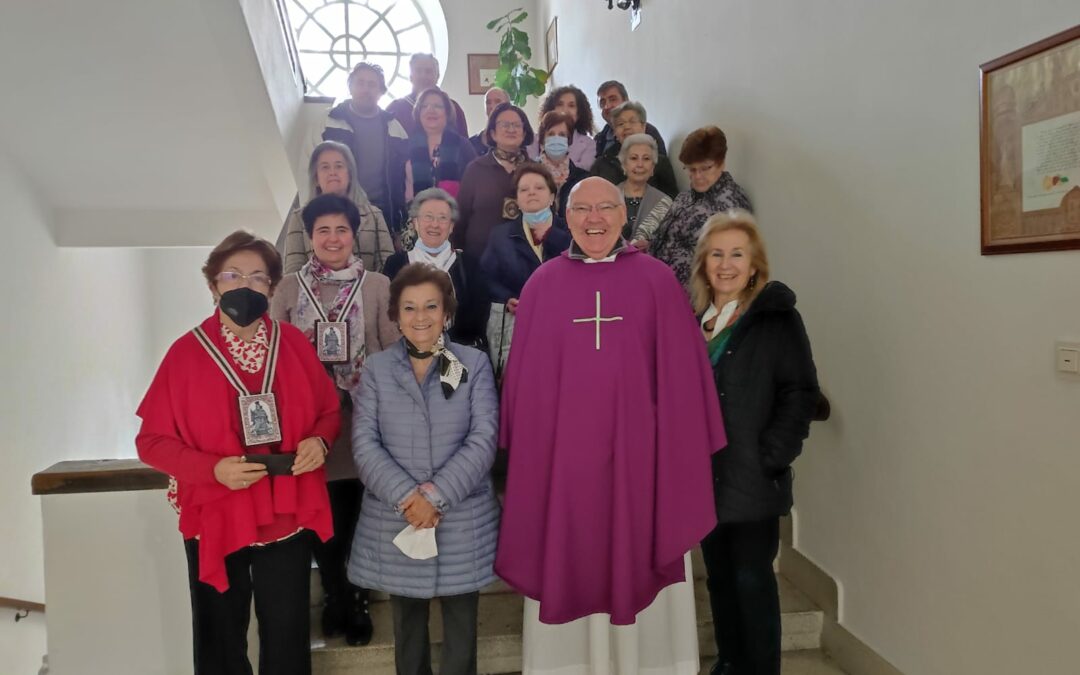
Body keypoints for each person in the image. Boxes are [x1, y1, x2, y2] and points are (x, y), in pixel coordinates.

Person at [494, 177, 726, 675]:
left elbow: (684, 382)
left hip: (641, 465)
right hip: (565, 471)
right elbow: (524, 391)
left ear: (625, 216)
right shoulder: (541, 286)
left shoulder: (658, 281)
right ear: (566, 217)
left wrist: (674, 454)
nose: (594, 218)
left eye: (605, 208)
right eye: (582, 209)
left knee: (640, 552)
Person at [136, 231, 339, 675]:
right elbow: (150, 442)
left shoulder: (294, 344)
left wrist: (319, 441)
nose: (245, 285)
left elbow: (329, 410)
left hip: (285, 507)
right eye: (232, 275)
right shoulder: (185, 354)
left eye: (257, 277)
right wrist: (212, 470)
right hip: (218, 509)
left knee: (287, 633)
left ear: (271, 287)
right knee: (219, 635)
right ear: (213, 286)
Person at [349, 263, 499, 675]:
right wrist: (408, 498)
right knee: (408, 633)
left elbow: (483, 438)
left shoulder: (472, 363)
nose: (421, 317)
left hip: (461, 517)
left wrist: (435, 496)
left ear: (446, 311)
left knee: (461, 635)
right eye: (409, 307)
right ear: (395, 315)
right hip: (398, 517)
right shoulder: (377, 369)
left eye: (431, 306)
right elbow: (364, 444)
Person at [690, 211, 819, 675]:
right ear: (704, 263)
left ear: (754, 264)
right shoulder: (693, 322)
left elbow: (800, 392)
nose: (726, 265)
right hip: (703, 478)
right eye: (717, 254)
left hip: (752, 478)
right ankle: (729, 662)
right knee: (719, 581)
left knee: (752, 582)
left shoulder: (776, 318)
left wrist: (772, 456)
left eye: (737, 254)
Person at [270, 193, 399, 646]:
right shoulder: (288, 289)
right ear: (309, 237)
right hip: (308, 425)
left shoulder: (379, 286)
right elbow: (273, 356)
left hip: (364, 419)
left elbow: (393, 351)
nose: (332, 238)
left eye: (341, 229)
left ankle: (357, 596)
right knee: (321, 514)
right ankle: (333, 592)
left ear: (353, 235)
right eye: (322, 230)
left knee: (359, 513)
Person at [481, 163, 572, 377]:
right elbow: (486, 278)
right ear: (517, 200)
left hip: (563, 326)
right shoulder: (500, 236)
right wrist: (507, 299)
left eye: (539, 188)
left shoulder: (571, 232)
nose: (531, 192)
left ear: (551, 196)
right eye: (524, 189)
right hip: (519, 327)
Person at [383, 188, 490, 349]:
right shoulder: (396, 264)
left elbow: (479, 316)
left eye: (442, 218)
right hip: (408, 355)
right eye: (428, 217)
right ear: (415, 223)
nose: (435, 224)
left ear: (452, 226)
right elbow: (390, 315)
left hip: (458, 356)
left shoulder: (469, 265)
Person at [652, 126, 754, 288]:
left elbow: (728, 271)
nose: (698, 176)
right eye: (692, 169)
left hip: (691, 301)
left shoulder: (732, 207)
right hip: (659, 286)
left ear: (721, 163)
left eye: (706, 168)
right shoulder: (685, 197)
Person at [282, 141, 395, 275]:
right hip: (312, 294)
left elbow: (388, 267)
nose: (332, 172)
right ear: (316, 177)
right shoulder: (299, 217)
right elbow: (292, 272)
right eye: (325, 167)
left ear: (350, 174)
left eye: (339, 166)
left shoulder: (374, 215)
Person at [323, 62, 409, 232]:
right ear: (350, 87)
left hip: (384, 214)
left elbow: (405, 179)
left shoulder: (395, 128)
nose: (366, 89)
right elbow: (308, 170)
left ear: (381, 91)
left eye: (372, 84)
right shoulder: (327, 122)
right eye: (360, 83)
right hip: (338, 212)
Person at [454, 102, 534, 260]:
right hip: (480, 259)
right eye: (504, 124)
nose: (511, 129)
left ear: (524, 133)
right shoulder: (475, 169)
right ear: (493, 133)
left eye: (516, 125)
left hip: (525, 260)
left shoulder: (535, 171)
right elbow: (460, 217)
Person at [591, 101, 678, 198]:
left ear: (643, 127)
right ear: (615, 131)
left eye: (632, 121)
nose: (627, 127)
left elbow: (671, 201)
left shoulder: (660, 162)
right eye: (621, 124)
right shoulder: (602, 163)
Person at [405, 87, 478, 201]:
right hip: (416, 214)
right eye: (424, 106)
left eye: (437, 106)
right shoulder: (407, 146)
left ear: (447, 113)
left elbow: (475, 184)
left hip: (456, 214)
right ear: (419, 113)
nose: (430, 110)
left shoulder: (463, 145)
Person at [386, 53, 469, 138]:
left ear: (437, 76)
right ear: (410, 76)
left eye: (428, 71)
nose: (423, 76)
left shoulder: (453, 109)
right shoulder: (395, 109)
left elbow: (465, 147)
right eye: (418, 71)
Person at [617, 133, 673, 249]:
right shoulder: (608, 196)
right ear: (624, 165)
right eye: (633, 158)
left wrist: (651, 245)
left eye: (646, 159)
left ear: (652, 168)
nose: (640, 164)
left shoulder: (664, 203)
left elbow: (670, 243)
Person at [535, 111, 590, 218]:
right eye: (551, 134)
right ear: (542, 139)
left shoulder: (583, 178)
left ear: (569, 140)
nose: (556, 139)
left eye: (562, 135)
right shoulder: (529, 173)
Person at [526, 85, 596, 169]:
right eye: (560, 104)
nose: (565, 109)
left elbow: (585, 169)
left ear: (579, 113)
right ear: (551, 109)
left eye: (571, 106)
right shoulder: (534, 140)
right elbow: (529, 166)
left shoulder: (589, 144)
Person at [594, 80, 667, 156]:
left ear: (625, 101)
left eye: (613, 99)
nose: (607, 106)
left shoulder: (647, 132)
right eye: (602, 102)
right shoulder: (600, 138)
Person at [469, 86, 510, 156]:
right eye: (488, 102)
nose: (492, 106)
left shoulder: (515, 137)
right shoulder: (471, 143)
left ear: (508, 105)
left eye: (497, 101)